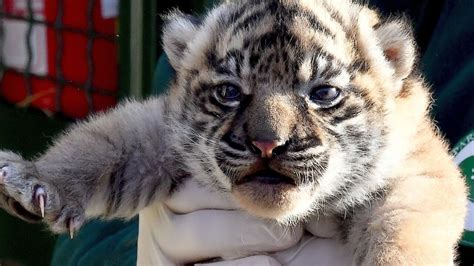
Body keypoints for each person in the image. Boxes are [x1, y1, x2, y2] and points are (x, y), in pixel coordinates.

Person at [51, 0, 473, 264]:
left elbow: (422, 201)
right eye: (231, 91)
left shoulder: (404, 129)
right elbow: (86, 241)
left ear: (394, 63)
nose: (268, 138)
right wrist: (132, 255)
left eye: (323, 93)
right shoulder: (230, 23)